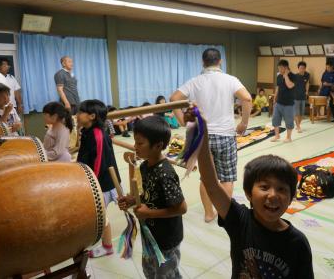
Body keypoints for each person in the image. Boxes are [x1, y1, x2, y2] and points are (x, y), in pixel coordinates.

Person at [196, 115, 314, 278]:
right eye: (264, 187)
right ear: (248, 193)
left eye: (281, 189)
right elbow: (211, 184)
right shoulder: (240, 220)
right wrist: (202, 135)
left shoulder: (297, 243)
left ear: (291, 196)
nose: (273, 195)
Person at [170, 48, 252, 223]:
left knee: (206, 177)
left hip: (203, 138)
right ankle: (224, 213)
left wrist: (183, 121)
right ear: (220, 61)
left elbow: (174, 98)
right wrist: (244, 123)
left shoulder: (195, 81)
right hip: (225, 135)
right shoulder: (231, 80)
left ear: (202, 62)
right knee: (227, 177)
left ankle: (208, 213)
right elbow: (247, 98)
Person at [118, 116, 187, 278]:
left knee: (166, 274)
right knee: (150, 271)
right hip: (151, 233)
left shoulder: (165, 174)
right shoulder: (145, 166)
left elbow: (181, 208)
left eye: (140, 143)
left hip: (167, 239)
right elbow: (148, 194)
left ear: (158, 146)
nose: (135, 147)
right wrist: (132, 200)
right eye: (135, 142)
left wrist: (149, 213)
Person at [76, 99, 121, 258]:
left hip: (102, 183)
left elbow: (99, 163)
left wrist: (89, 184)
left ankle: (107, 247)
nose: (77, 115)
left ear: (92, 116)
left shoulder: (97, 135)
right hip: (94, 180)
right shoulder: (87, 131)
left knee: (101, 216)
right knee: (96, 215)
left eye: (81, 112)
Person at [272, 60, 296, 142]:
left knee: (289, 121)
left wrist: (286, 75)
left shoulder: (293, 76)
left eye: (280, 68)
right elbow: (277, 88)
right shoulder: (279, 76)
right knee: (275, 119)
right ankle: (277, 135)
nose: (279, 70)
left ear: (285, 68)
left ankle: (289, 137)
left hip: (289, 104)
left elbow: (290, 86)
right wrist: (275, 98)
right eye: (278, 68)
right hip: (279, 102)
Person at [294, 61, 310, 133]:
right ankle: (298, 126)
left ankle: (298, 125)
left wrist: (307, 91)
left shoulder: (307, 75)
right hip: (296, 96)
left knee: (302, 113)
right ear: (298, 68)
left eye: (303, 68)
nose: (302, 69)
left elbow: (307, 83)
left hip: (303, 96)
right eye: (300, 68)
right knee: (296, 112)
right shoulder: (295, 76)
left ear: (305, 68)